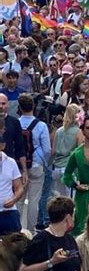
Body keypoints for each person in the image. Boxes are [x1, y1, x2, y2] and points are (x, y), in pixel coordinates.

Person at [17, 93, 51, 232]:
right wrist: (44, 161)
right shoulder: (41, 125)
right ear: (34, 106)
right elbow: (47, 148)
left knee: (19, 199)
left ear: (19, 107)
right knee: (34, 200)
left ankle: (17, 229)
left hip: (19, 166)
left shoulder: (16, 123)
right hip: (36, 164)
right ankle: (31, 230)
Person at [51, 103, 83, 196]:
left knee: (60, 198)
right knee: (71, 200)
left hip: (57, 167)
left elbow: (53, 151)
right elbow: (80, 152)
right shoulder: (78, 132)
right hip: (69, 169)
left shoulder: (59, 131)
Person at [0, 128, 24, 235]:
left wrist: (13, 200)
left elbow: (19, 187)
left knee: (16, 243)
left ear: (3, 146)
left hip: (9, 211)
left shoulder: (11, 162)